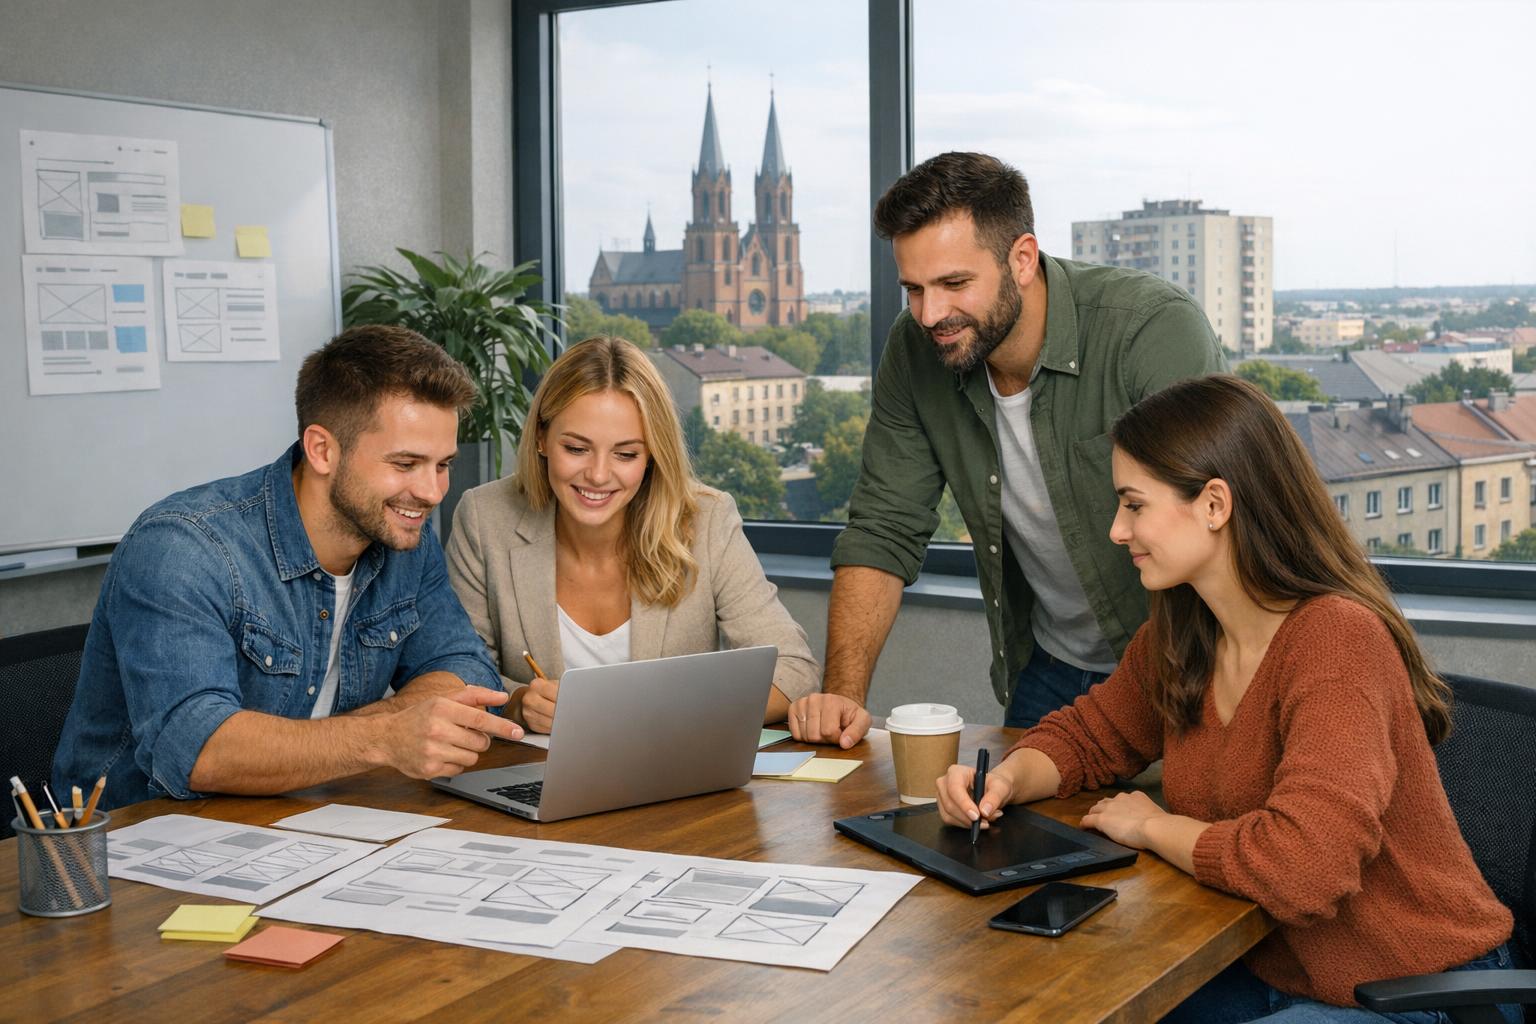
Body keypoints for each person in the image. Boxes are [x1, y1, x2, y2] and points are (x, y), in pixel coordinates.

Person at [935, 374, 1517, 1023]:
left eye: (1134, 505)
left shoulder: (1337, 641)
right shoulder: (1183, 637)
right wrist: (1005, 781)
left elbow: (1303, 870)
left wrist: (1155, 827)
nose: (1116, 531)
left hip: (1418, 990)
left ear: (1215, 504)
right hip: (1274, 971)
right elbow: (1089, 737)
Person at [789, 151, 1225, 748]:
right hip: (1047, 669)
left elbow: (1221, 531)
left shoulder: (1149, 331)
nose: (930, 314)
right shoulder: (917, 350)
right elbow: (884, 528)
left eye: (954, 284)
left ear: (1021, 258)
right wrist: (843, 694)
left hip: (1186, 670)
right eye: (913, 288)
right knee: (1009, 836)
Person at [52, 325, 521, 811]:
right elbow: (193, 747)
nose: (431, 492)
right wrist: (382, 736)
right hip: (131, 843)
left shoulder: (403, 536)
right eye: (406, 464)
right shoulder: (182, 547)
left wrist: (372, 732)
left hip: (307, 817)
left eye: (442, 464)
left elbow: (467, 672)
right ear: (322, 450)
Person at [445, 335, 819, 732]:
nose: (599, 475)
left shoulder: (707, 520)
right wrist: (518, 704)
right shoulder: (485, 517)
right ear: (541, 438)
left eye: (625, 454)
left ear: (652, 455)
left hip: (672, 781)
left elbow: (794, 671)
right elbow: (455, 673)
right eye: (576, 448)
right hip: (534, 779)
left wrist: (662, 715)